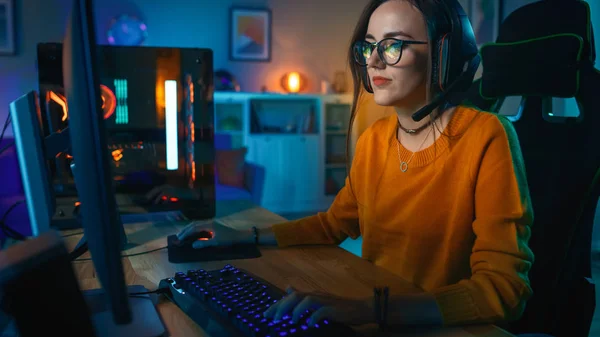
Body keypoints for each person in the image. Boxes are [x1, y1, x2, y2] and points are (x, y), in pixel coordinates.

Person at [177, 0, 534, 330]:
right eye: (369, 46)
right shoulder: (375, 139)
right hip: (376, 313)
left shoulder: (486, 136)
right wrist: (246, 236)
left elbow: (503, 289)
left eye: (393, 45)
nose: (374, 61)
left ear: (445, 54)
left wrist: (372, 310)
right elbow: (333, 224)